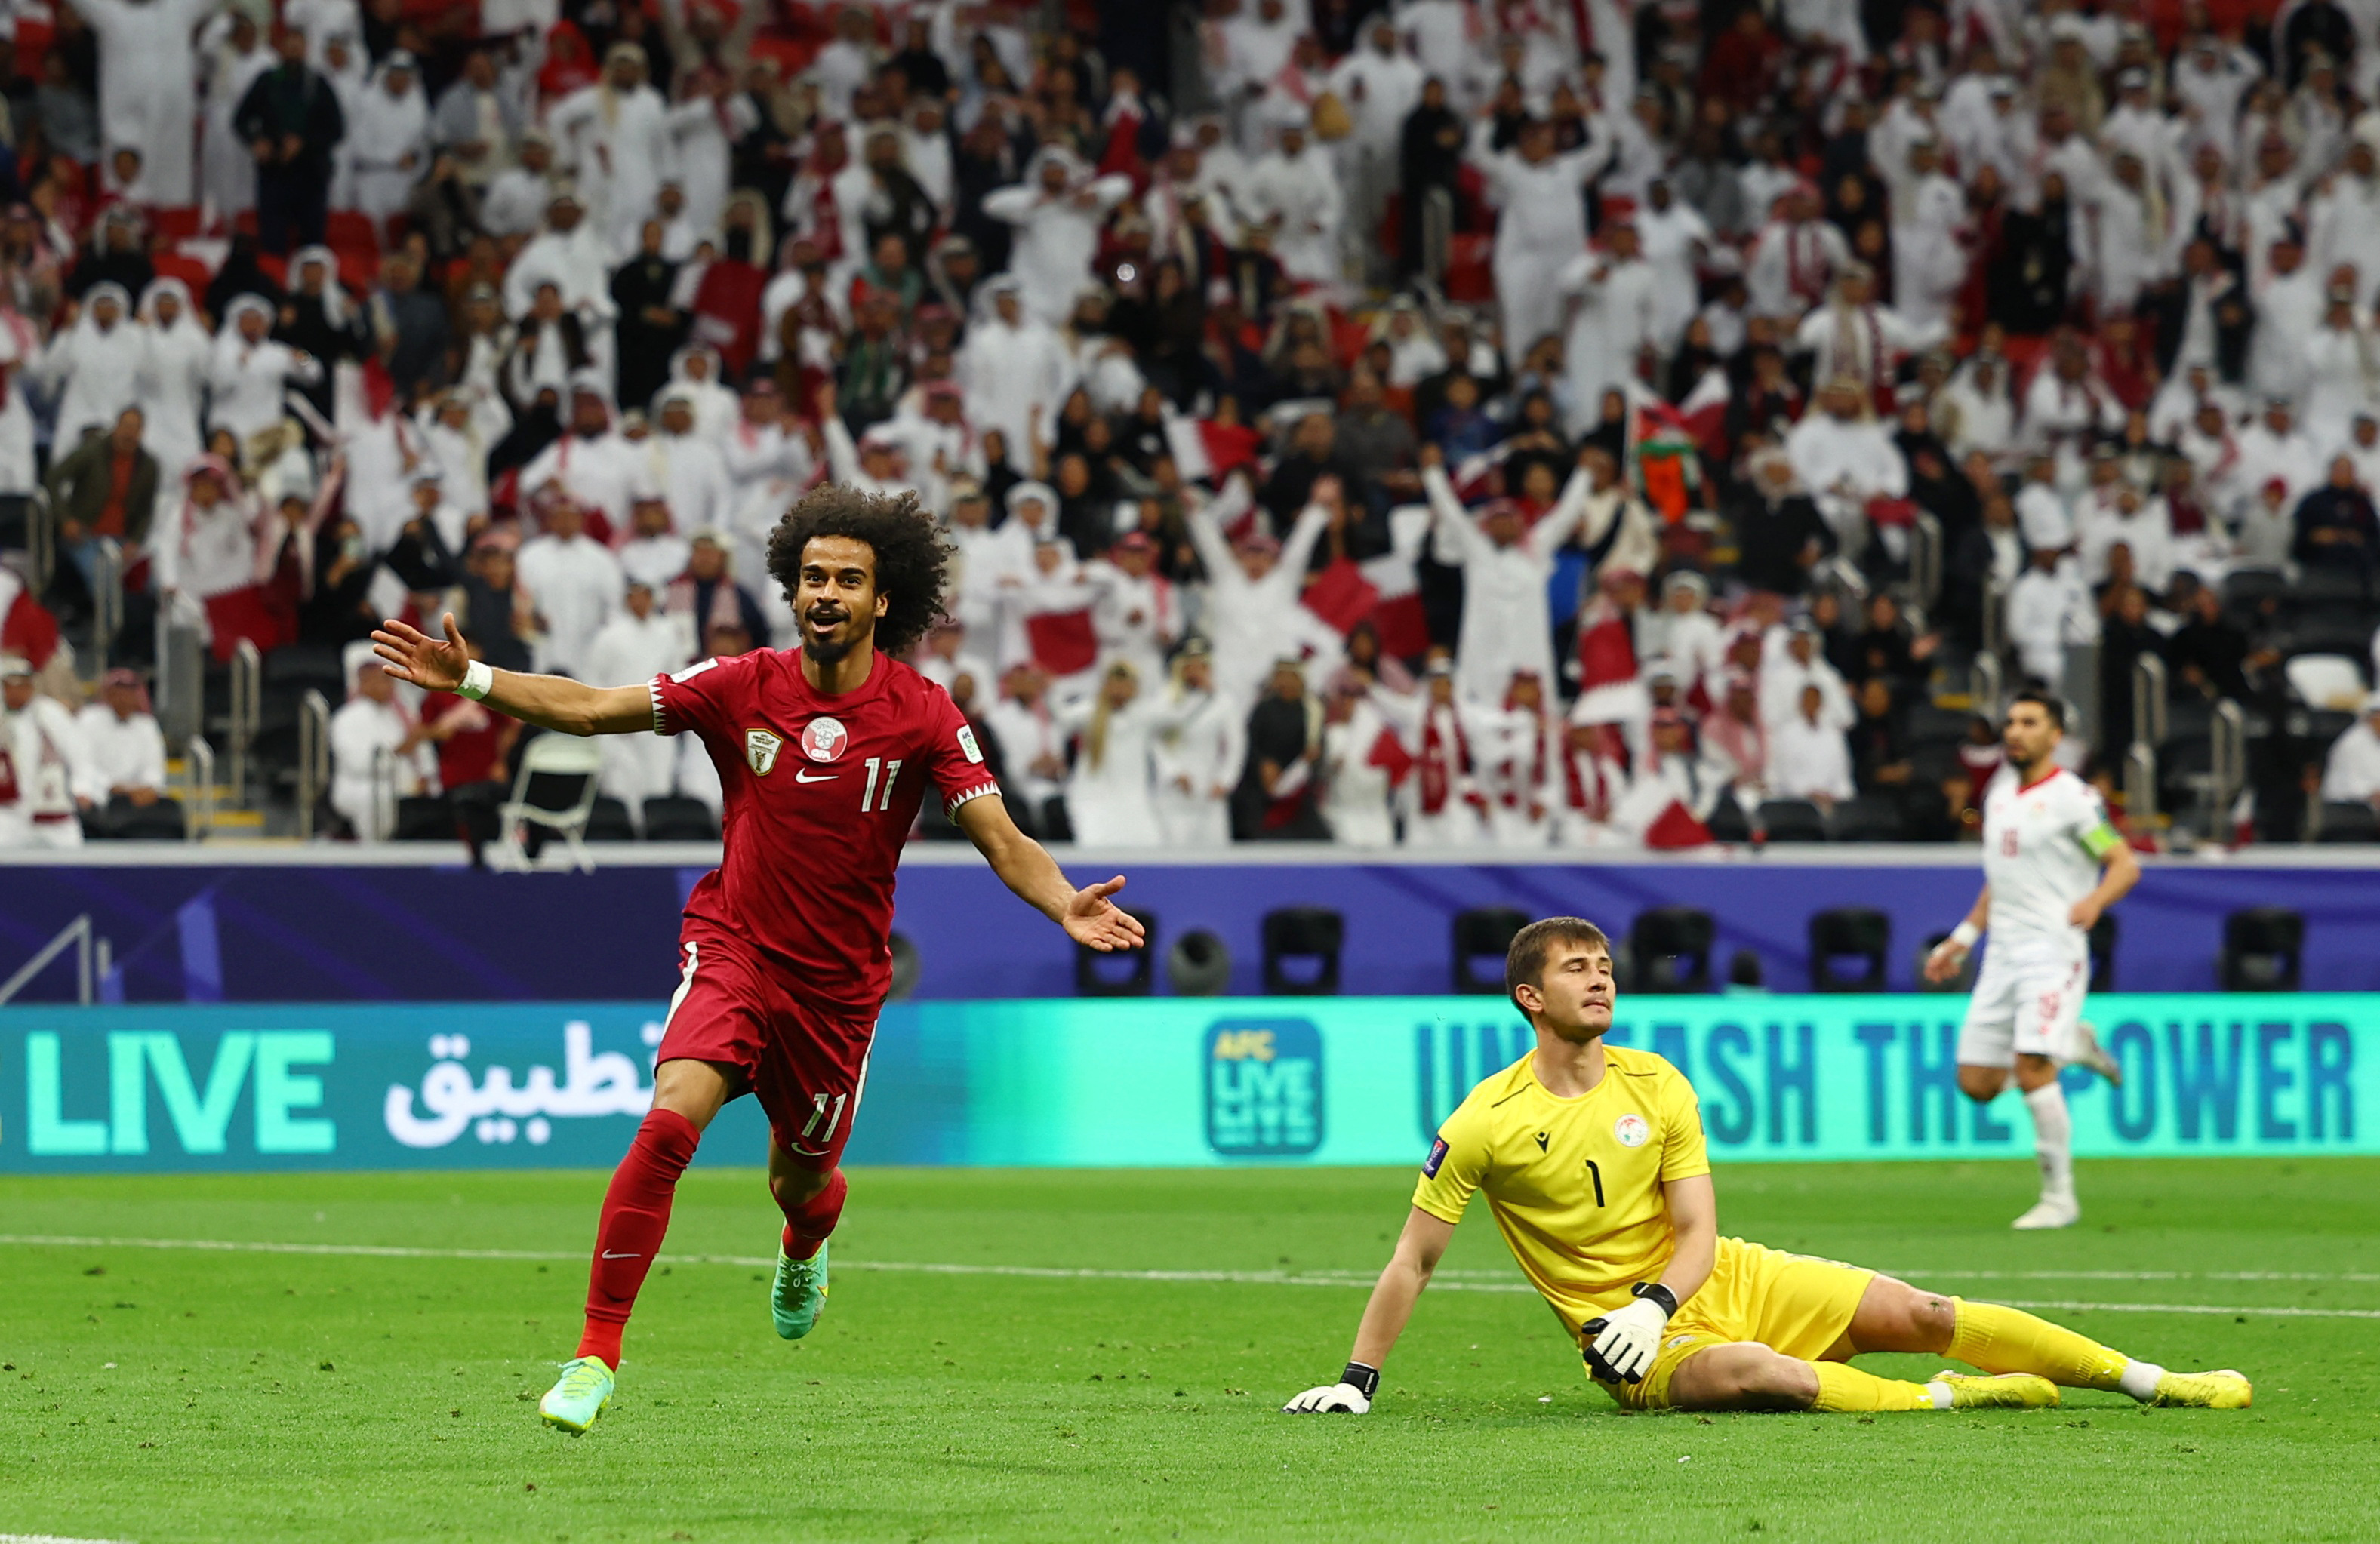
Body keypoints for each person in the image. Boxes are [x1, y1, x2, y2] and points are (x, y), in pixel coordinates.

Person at [370, 484, 1145, 1433]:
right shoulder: (740, 684)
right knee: (670, 1121)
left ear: (883, 599)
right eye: (813, 576)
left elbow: (1000, 837)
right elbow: (593, 708)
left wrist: (1064, 901)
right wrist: (475, 681)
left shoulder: (923, 713)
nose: (826, 593)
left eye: (848, 580)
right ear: (792, 588)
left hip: (836, 993)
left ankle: (805, 1244)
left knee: (801, 1182)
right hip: (735, 949)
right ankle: (594, 1357)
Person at [1283, 916, 2253, 1418]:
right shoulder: (1485, 1122)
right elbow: (1415, 1259)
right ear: (1530, 998)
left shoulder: (1657, 1082)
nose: (1602, 977)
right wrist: (1358, 1380)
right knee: (1766, 1376)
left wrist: (1655, 1298)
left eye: (1606, 965)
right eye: (1578, 968)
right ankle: (1949, 1398)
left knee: (1926, 1314)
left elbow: (1698, 1230)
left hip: (1716, 1282)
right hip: (1635, 1350)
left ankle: (2153, 1380)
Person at [1923, 693, 2138, 1232]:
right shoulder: (1998, 795)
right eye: (2011, 723)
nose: (2015, 732)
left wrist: (2094, 901)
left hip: (2052, 951)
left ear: (2055, 736)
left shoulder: (2073, 799)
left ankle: (2059, 1198)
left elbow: (2123, 864)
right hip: (2001, 954)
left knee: (2031, 1068)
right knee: (1976, 1082)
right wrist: (1962, 938)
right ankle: (2073, 1045)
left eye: (2029, 723)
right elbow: (2000, 880)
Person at [236, 25, 347, 256]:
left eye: (298, 46)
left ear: (306, 49)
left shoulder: (318, 85)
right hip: (275, 175)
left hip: (311, 176)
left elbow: (336, 129)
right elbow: (240, 119)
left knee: (311, 246)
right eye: (289, 46)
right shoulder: (267, 82)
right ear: (280, 48)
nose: (294, 51)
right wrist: (256, 141)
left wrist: (304, 143)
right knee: (272, 244)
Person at [0, 654, 93, 849]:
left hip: (51, 808)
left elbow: (79, 754)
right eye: (10, 686)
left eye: (23, 685)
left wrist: (83, 787)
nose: (17, 692)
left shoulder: (49, 712)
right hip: (7, 813)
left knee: (72, 855)